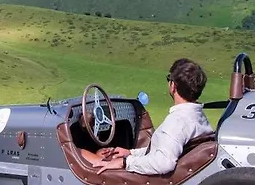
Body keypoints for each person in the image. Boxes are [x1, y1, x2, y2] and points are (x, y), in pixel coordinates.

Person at [80, 58, 212, 175]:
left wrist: (125, 162)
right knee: (100, 154)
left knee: (81, 153)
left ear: (173, 86)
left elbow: (163, 163)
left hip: (150, 182)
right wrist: (131, 153)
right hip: (165, 174)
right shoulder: (198, 117)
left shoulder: (177, 122)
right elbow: (164, 150)